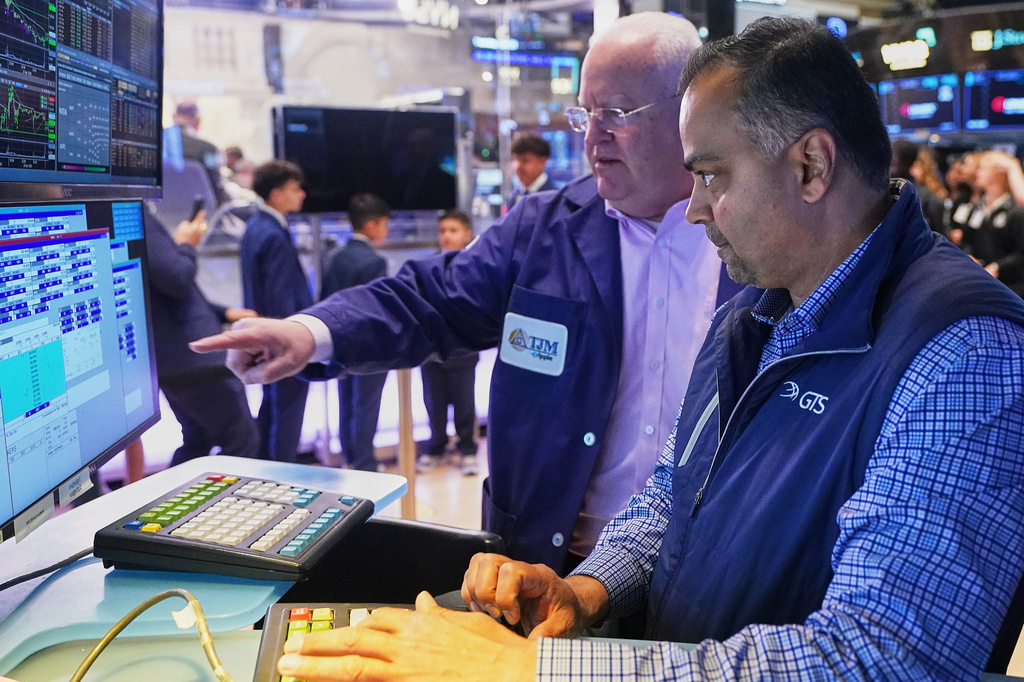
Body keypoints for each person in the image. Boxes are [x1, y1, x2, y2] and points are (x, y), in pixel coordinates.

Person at [272, 17, 1024, 682]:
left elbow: (882, 657)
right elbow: (676, 490)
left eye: (710, 176)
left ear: (811, 166)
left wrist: (535, 669)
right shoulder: (764, 307)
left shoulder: (964, 353)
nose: (692, 209)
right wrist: (587, 590)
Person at [192, 12, 739, 573]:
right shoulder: (544, 231)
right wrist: (309, 333)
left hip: (706, 570)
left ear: (688, 112)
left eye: (616, 114)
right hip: (548, 565)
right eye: (585, 113)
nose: (593, 137)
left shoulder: (749, 238)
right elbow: (429, 300)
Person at [145, 208, 261, 466]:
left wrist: (225, 312)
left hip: (173, 357)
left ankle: (168, 504)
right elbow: (174, 278)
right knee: (242, 441)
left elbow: (160, 293)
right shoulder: (135, 213)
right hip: (196, 357)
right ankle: (231, 507)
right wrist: (187, 244)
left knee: (199, 439)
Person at [240, 160, 313, 462]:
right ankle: (285, 477)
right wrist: (291, 339)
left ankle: (265, 472)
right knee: (287, 412)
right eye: (295, 189)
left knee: (272, 408)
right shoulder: (272, 235)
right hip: (282, 338)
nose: (302, 195)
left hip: (264, 335)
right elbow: (281, 295)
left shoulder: (256, 227)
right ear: (275, 194)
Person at [321, 193, 391, 472]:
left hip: (338, 343)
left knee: (346, 402)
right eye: (385, 224)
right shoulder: (374, 262)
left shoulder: (335, 258)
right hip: (367, 346)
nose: (387, 231)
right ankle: (365, 463)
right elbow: (376, 308)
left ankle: (351, 457)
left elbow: (325, 298)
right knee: (366, 406)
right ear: (372, 226)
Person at [416, 209, 479, 476]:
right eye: (442, 231)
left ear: (467, 234)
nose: (446, 236)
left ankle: (467, 450)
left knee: (465, 404)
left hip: (463, 349)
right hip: (432, 351)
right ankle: (436, 447)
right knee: (434, 403)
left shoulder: (476, 267)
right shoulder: (427, 267)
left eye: (452, 231)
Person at [951, 150, 1024, 297]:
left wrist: (998, 267)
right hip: (982, 282)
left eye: (983, 168)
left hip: (1011, 287)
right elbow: (968, 239)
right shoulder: (978, 207)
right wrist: (968, 255)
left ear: (998, 173)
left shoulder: (1015, 211)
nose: (977, 172)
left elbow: (1021, 253)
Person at [171, 101, 229, 204]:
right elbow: (217, 189)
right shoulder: (209, 149)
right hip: (201, 215)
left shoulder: (155, 145)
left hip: (156, 214)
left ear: (174, 117)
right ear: (198, 121)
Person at [507, 133, 556, 208]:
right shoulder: (514, 197)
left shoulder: (554, 198)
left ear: (542, 161)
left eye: (525, 160)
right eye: (515, 159)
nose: (518, 166)